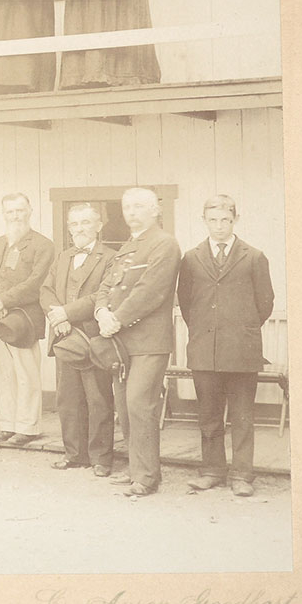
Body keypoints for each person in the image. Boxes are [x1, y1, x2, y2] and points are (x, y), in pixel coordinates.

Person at [177, 195, 275, 497]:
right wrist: (208, 334)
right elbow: (186, 303)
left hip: (242, 351)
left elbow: (265, 303)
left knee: (243, 416)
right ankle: (212, 470)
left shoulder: (254, 257)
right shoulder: (192, 258)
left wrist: (240, 331)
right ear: (204, 221)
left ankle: (243, 474)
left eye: (225, 220)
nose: (219, 226)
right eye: (213, 220)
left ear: (235, 220)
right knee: (208, 416)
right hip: (205, 350)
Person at [93, 187, 182, 497]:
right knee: (125, 406)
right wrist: (101, 311)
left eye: (138, 207)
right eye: (127, 207)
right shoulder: (128, 247)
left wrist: (115, 318)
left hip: (149, 342)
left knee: (139, 404)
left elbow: (150, 291)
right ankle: (136, 469)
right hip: (120, 341)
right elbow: (106, 285)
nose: (131, 212)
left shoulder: (164, 244)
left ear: (155, 210)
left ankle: (145, 477)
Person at [40, 203, 118, 477]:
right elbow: (46, 290)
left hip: (92, 338)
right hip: (64, 338)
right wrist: (57, 317)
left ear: (99, 225)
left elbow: (101, 295)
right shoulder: (63, 257)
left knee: (98, 399)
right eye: (74, 224)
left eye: (86, 222)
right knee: (68, 399)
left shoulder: (110, 258)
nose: (79, 228)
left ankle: (101, 458)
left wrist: (66, 313)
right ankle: (74, 454)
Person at [0, 193, 56, 446]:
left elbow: (36, 282)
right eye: (10, 212)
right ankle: (7, 424)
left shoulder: (43, 245)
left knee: (26, 372)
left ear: (30, 210)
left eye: (20, 210)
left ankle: (28, 427)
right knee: (3, 373)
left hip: (23, 321)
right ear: (4, 214)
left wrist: (4, 301)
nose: (15, 216)